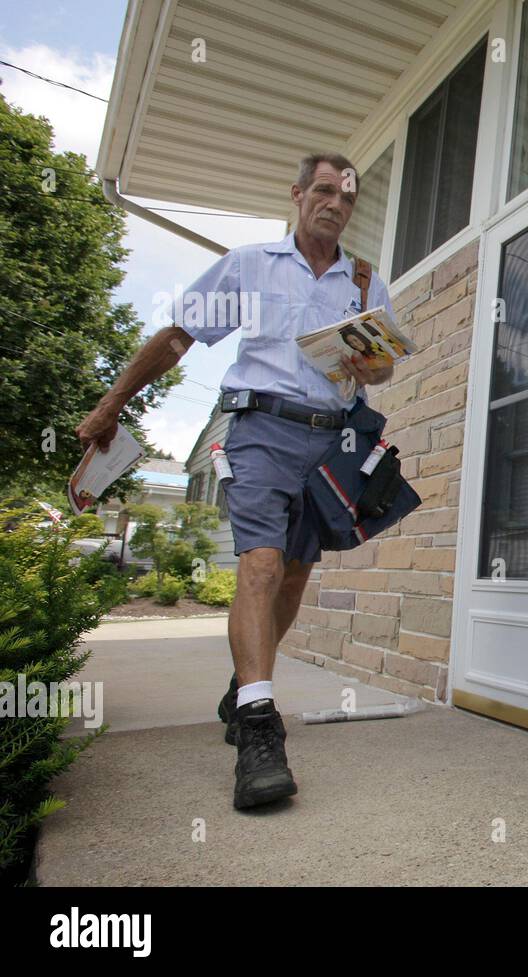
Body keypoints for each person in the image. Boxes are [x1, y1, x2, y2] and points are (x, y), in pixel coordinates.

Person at [76, 153, 395, 810]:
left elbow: (381, 369)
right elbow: (176, 338)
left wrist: (372, 366)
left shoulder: (365, 283)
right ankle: (258, 728)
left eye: (348, 197)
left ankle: (240, 681)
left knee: (296, 574)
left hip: (332, 439)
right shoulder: (250, 265)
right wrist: (111, 405)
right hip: (261, 429)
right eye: (325, 190)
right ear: (299, 193)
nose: (336, 203)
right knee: (260, 563)